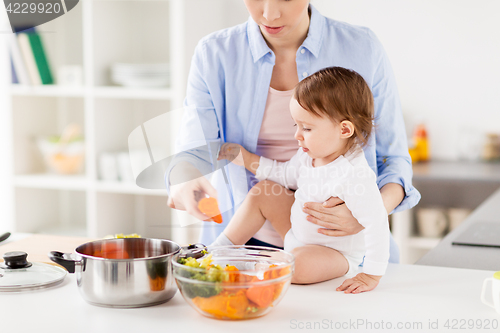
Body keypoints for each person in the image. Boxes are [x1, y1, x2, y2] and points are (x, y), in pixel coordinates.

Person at [166, 0, 420, 263]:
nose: (269, 14)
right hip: (241, 248)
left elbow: (394, 161)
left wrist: (367, 213)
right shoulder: (214, 53)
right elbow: (193, 149)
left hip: (343, 250)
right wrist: (185, 179)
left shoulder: (362, 48)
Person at [213, 67, 389, 293]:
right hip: (297, 234)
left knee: (295, 266)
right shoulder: (310, 154)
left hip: (334, 254)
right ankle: (217, 252)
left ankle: (248, 268)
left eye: (306, 128)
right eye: (296, 125)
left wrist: (371, 274)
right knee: (264, 191)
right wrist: (246, 159)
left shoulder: (353, 174)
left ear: (344, 129)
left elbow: (377, 222)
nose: (297, 135)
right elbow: (285, 174)